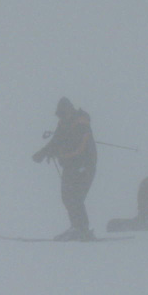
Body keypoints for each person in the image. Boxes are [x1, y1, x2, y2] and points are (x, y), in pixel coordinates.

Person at [32, 97, 97, 240]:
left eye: (63, 114)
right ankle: (76, 227)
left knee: (75, 196)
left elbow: (79, 147)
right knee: (67, 196)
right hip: (70, 165)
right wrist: (43, 152)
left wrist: (59, 153)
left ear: (69, 110)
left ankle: (82, 229)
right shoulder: (63, 123)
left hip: (84, 165)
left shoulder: (81, 123)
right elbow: (56, 141)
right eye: (59, 115)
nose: (61, 117)